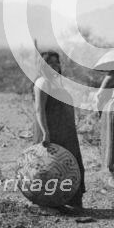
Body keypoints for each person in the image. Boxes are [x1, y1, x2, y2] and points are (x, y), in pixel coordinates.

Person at [32, 51, 85, 211]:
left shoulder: (55, 82)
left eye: (57, 62)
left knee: (71, 166)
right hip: (52, 131)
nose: (55, 66)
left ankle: (71, 200)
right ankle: (50, 203)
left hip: (66, 132)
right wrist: (46, 133)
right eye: (51, 63)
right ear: (43, 65)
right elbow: (39, 110)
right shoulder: (42, 83)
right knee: (51, 168)